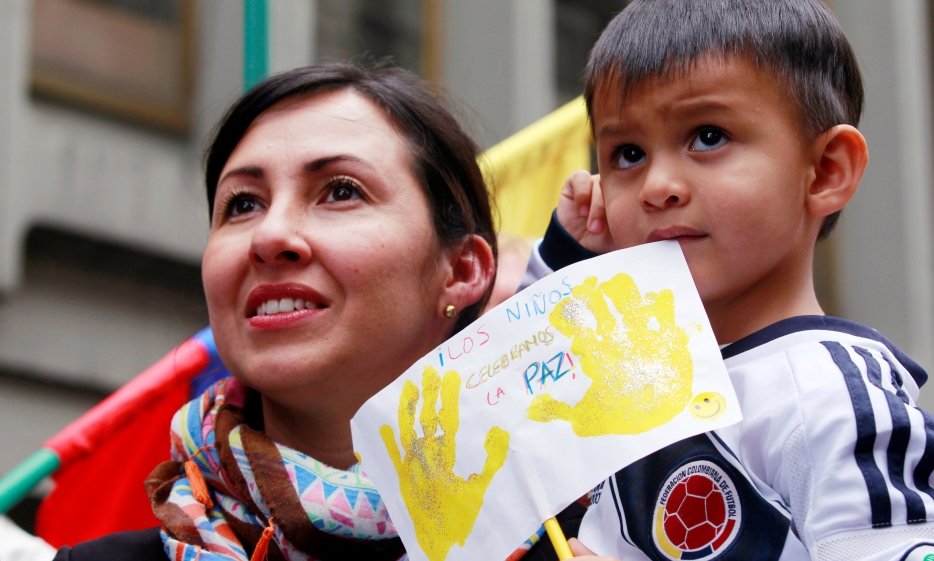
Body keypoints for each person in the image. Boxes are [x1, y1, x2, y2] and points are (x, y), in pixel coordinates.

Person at [52, 63, 585, 561]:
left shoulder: (600, 540)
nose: (270, 235)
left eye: (340, 192)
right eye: (242, 203)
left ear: (463, 271)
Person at [522, 1, 934, 560]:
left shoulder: (831, 398)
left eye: (708, 136)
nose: (656, 185)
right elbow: (513, 408)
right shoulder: (634, 370)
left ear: (827, 170)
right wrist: (567, 257)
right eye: (628, 154)